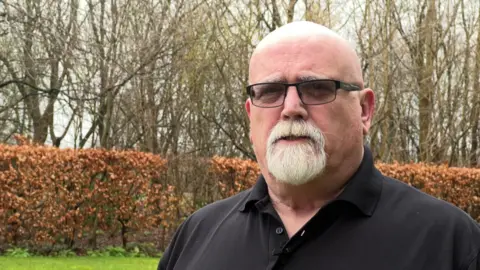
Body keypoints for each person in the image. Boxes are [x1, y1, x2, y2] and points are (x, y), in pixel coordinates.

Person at [158, 21, 480, 270]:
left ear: (364, 110)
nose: (291, 107)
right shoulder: (196, 236)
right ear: (250, 113)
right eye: (270, 91)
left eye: (316, 88)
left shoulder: (451, 245)